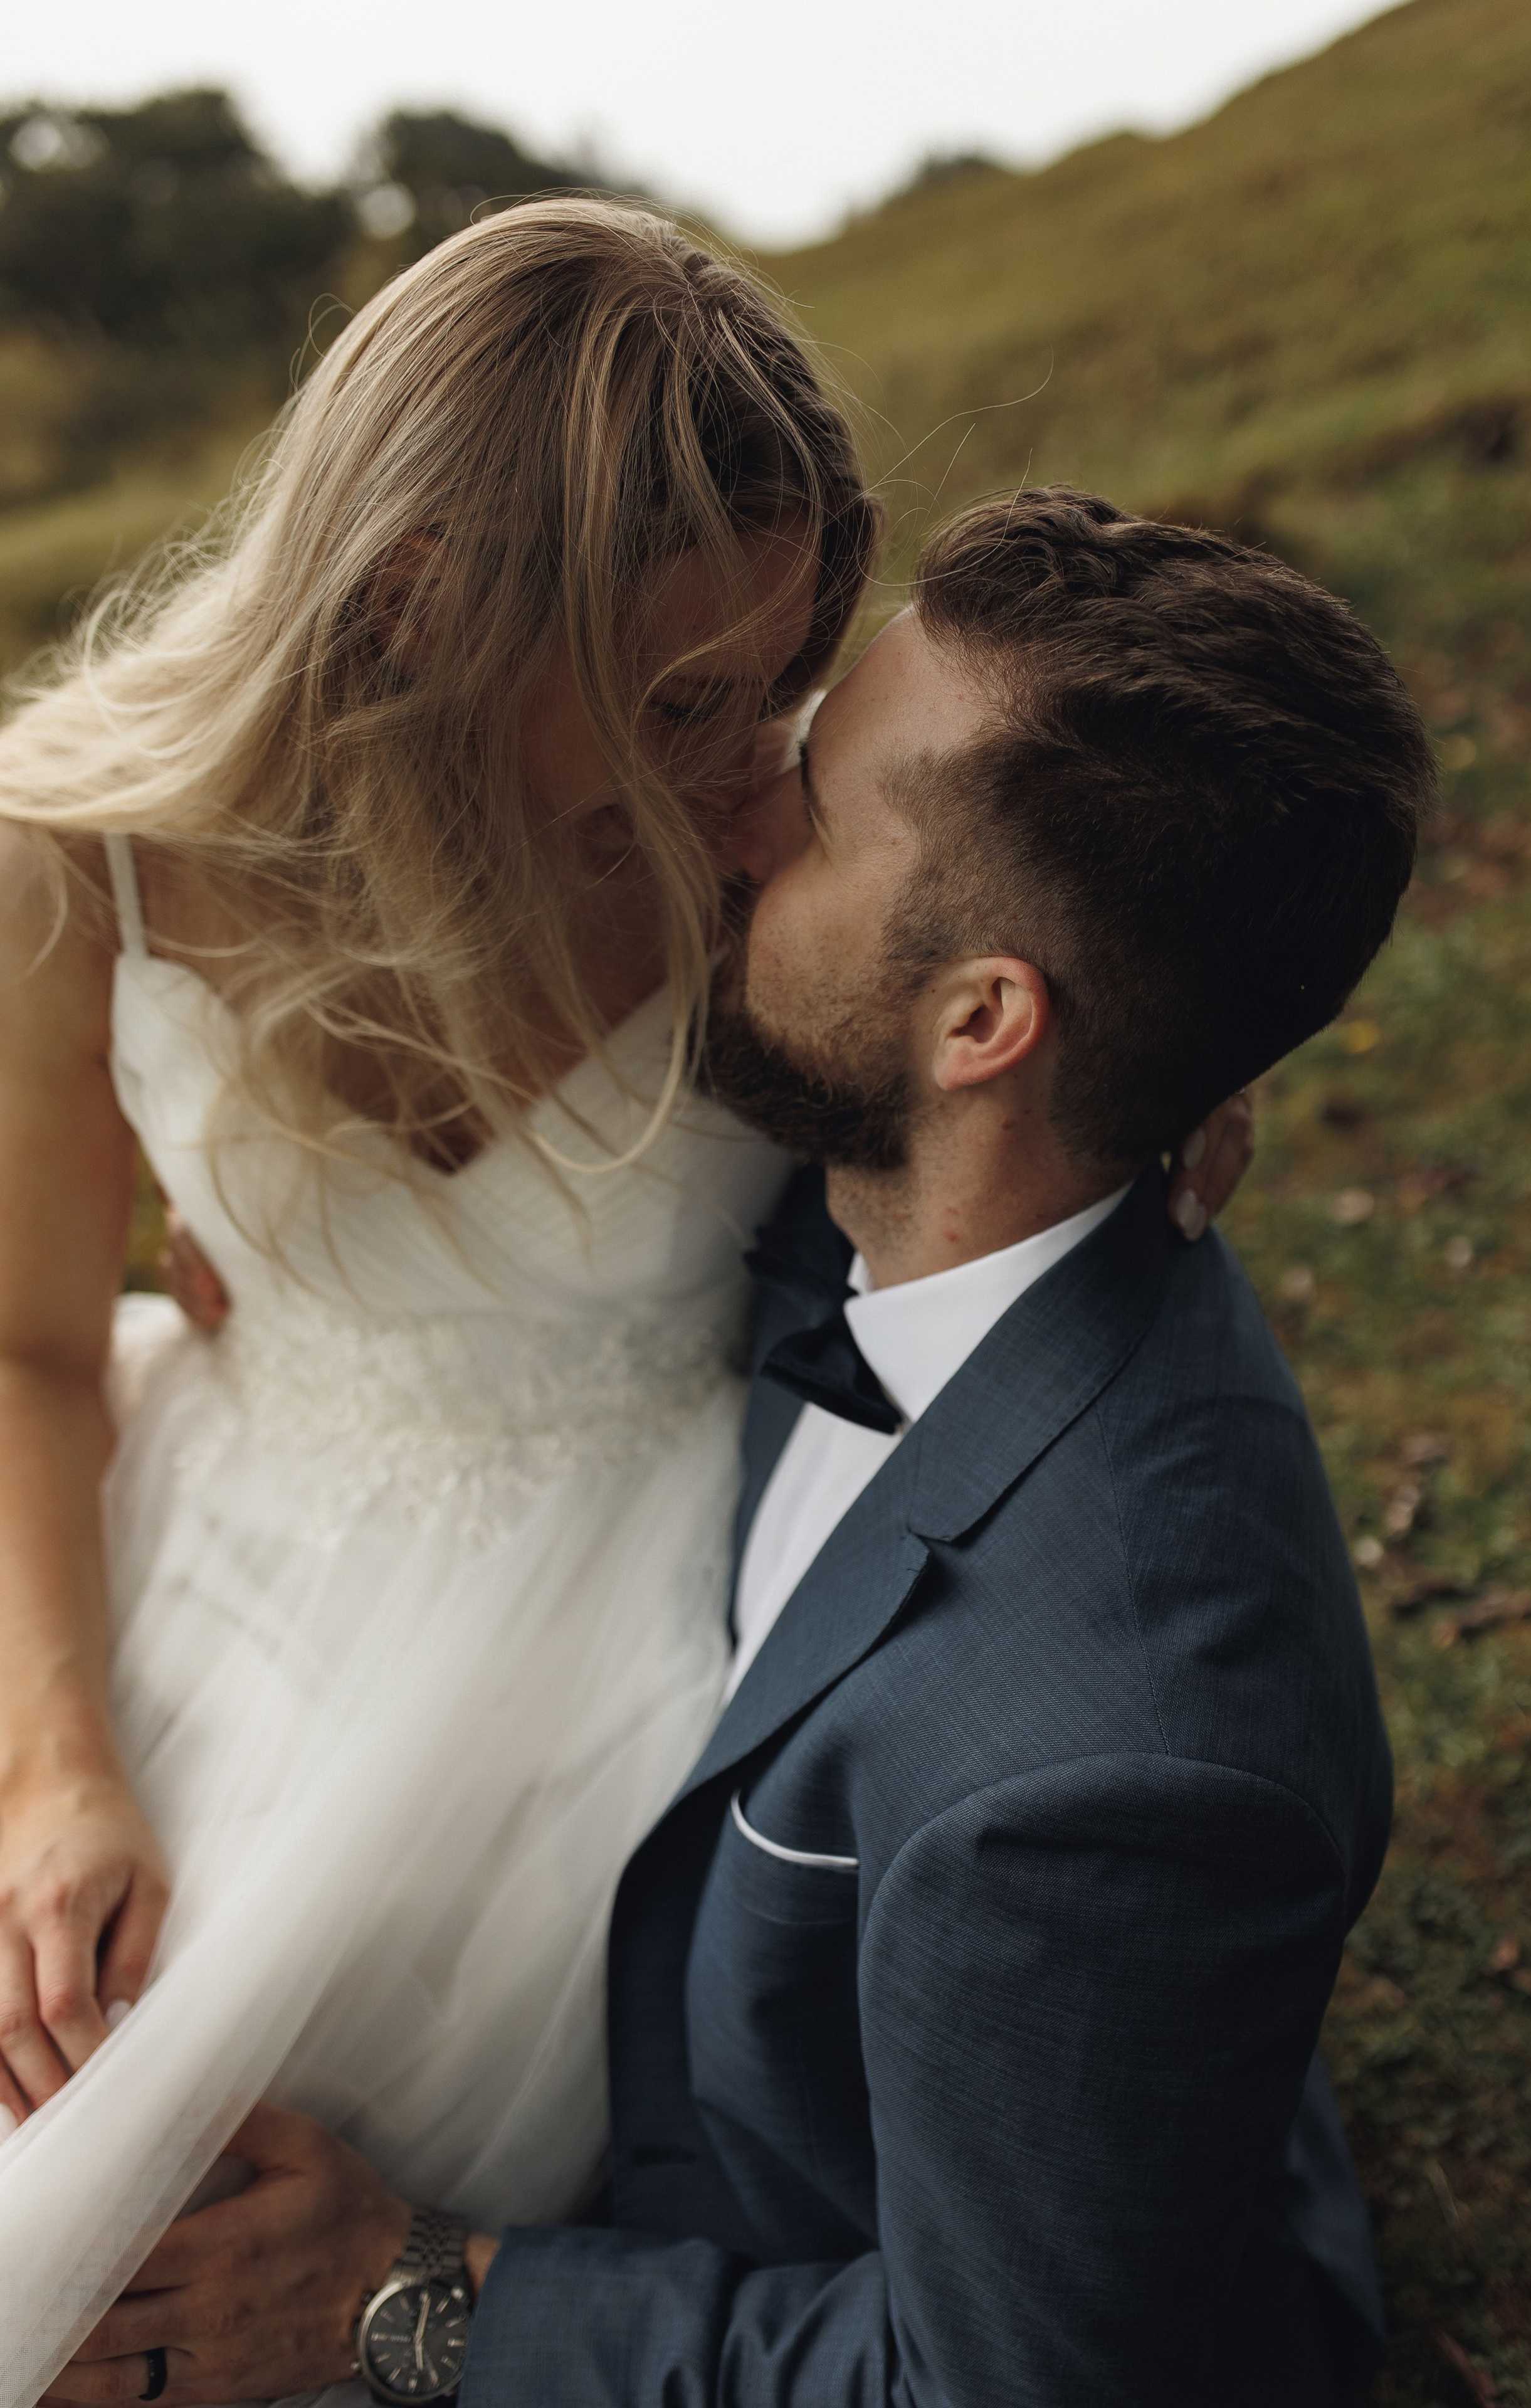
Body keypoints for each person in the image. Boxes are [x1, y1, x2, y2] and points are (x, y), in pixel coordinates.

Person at [0, 201, 1243, 2407]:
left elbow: (1017, 982)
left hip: (609, 1631)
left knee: (228, 2119)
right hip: (196, 1512)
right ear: (417, 603)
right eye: (685, 703)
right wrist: (59, 1760)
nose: (761, 783)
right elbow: (21, 1343)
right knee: (66, 1998)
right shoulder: (80, 853)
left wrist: (1163, 1059)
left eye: (780, 687)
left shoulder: (770, 864)